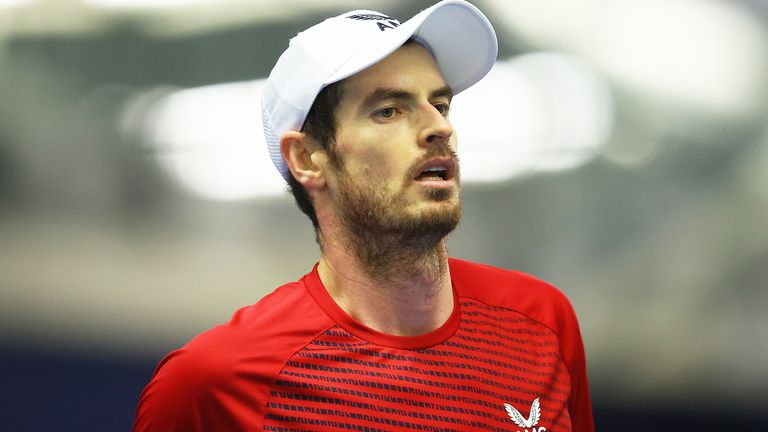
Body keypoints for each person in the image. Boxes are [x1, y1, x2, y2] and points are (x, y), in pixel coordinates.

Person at [132, 1, 594, 431]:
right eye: (389, 110)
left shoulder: (541, 323)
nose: (440, 127)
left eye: (440, 104)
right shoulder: (213, 382)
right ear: (308, 159)